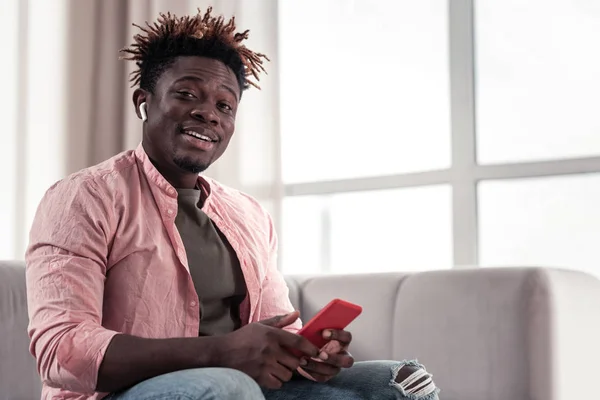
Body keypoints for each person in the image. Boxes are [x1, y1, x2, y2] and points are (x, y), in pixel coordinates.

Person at [25, 8, 439, 400]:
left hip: (239, 387)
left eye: (225, 105)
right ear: (143, 102)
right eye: (187, 94)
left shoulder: (248, 214)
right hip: (124, 392)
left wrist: (306, 353)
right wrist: (220, 353)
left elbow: (275, 329)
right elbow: (60, 349)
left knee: (398, 381)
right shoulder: (85, 196)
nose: (209, 114)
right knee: (227, 387)